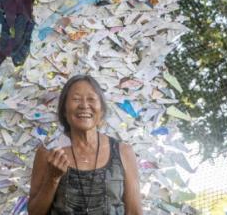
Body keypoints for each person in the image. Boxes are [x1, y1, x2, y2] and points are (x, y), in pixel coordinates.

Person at [28, 75, 142, 214]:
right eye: (76, 99)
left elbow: (134, 212)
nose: (84, 105)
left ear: (102, 109)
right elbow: (34, 213)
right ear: (64, 110)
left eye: (91, 99)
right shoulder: (48, 153)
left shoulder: (123, 151)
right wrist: (52, 178)